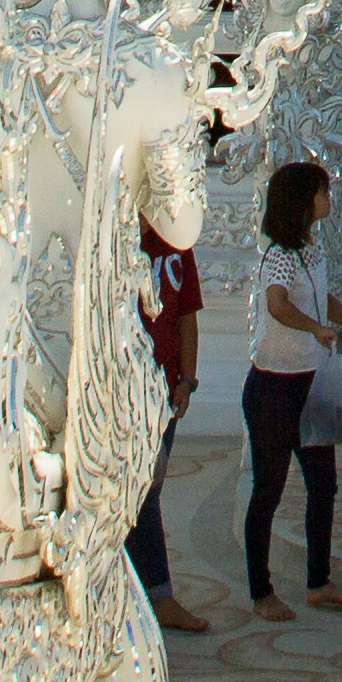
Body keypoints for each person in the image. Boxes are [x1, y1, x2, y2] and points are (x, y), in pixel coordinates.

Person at [236, 157, 342, 620]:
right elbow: (278, 305)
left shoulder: (312, 252)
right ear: (304, 202)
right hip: (273, 389)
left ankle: (318, 580)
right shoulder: (280, 258)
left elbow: (320, 292)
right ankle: (260, 589)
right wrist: (315, 328)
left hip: (310, 385)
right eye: (322, 192)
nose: (328, 199)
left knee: (323, 484)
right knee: (268, 489)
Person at [126, 213, 213, 630]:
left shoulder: (177, 248)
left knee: (148, 491)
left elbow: (186, 317)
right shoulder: (110, 244)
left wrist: (188, 378)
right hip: (118, 389)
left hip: (162, 390)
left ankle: (153, 595)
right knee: (135, 494)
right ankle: (148, 594)